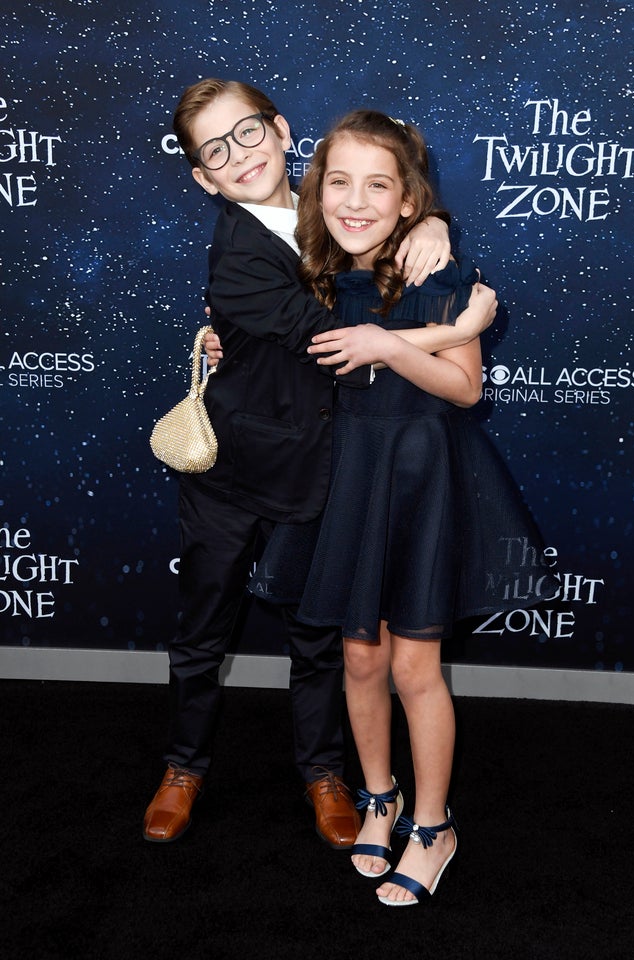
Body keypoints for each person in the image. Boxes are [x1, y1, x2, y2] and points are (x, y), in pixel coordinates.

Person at [143, 79, 496, 848]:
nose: (238, 156)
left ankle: (326, 774)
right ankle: (183, 768)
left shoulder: (325, 212)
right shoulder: (236, 253)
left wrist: (433, 219)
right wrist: (462, 325)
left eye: (246, 133)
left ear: (279, 130)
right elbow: (343, 337)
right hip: (233, 474)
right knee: (205, 629)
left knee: (322, 638)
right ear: (203, 177)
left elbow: (384, 200)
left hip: (324, 469)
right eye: (215, 151)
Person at [248, 109, 556, 904]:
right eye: (338, 183)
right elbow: (324, 362)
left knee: (416, 665)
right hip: (348, 481)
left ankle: (433, 825)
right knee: (360, 657)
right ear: (317, 195)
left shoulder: (436, 272)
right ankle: (377, 798)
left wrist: (399, 341)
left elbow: (465, 386)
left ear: (408, 201)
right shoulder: (312, 278)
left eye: (376, 185)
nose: (355, 201)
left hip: (420, 481)